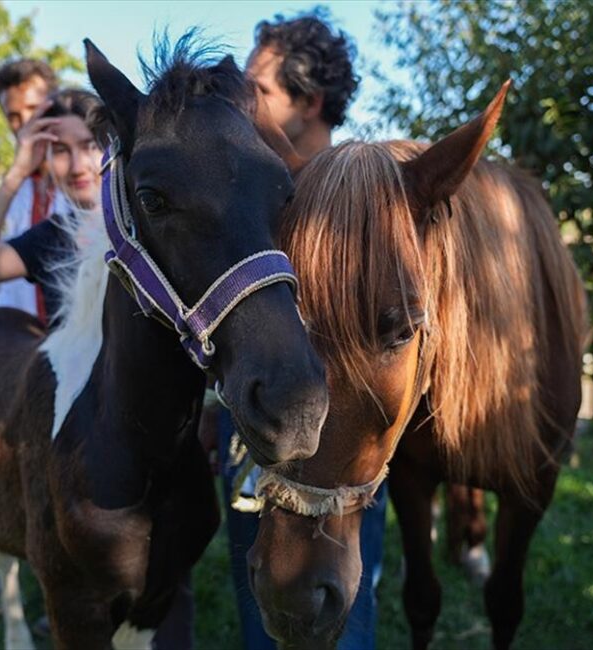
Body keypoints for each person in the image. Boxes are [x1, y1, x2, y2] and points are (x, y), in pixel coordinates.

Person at [202, 13, 387, 650]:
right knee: (258, 589)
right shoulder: (253, 192)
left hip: (343, 437)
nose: (241, 100)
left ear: (308, 102)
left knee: (341, 608)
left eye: (258, 89)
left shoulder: (364, 198)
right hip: (248, 424)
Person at [0, 88, 103, 328]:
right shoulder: (54, 236)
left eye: (91, 146)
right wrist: (17, 173)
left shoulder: (146, 225)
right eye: (61, 150)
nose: (78, 166)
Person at [0, 58, 62, 320]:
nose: (25, 123)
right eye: (14, 116)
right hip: (25, 339)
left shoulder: (85, 178)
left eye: (33, 109)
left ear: (53, 105)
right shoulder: (11, 190)